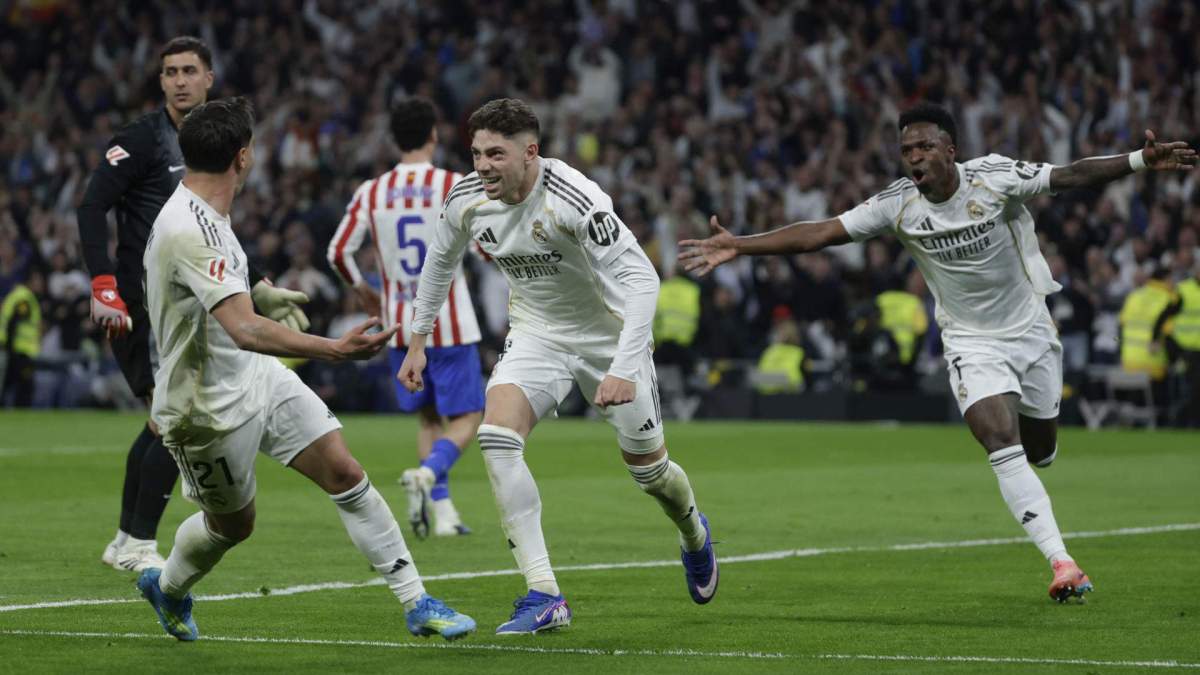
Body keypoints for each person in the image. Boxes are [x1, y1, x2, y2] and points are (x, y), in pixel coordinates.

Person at [680, 101, 1197, 602]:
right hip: (970, 342)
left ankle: (1043, 459)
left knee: (1040, 451)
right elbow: (822, 233)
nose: (915, 157)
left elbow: (1070, 175)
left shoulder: (993, 178)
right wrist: (740, 244)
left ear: (951, 149)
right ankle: (1062, 562)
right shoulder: (897, 204)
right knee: (998, 439)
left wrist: (1137, 161)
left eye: (925, 146)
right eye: (907, 150)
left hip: (1032, 333)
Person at [137, 96, 474, 642]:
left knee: (345, 471)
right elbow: (244, 329)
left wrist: (258, 294)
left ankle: (418, 603)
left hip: (256, 377)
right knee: (233, 526)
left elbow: (220, 302)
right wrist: (333, 349)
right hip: (205, 409)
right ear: (242, 157)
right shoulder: (189, 227)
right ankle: (168, 587)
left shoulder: (204, 211)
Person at [398, 98, 718, 634]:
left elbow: (644, 282)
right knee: (497, 436)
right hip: (538, 335)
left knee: (651, 474)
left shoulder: (575, 198)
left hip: (609, 338)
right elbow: (439, 264)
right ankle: (544, 593)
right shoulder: (467, 197)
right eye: (476, 153)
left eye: (496, 154)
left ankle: (694, 533)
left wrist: (621, 365)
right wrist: (416, 340)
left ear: (531, 152)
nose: (482, 166)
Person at [77, 36, 309, 573]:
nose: (179, 80)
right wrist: (102, 284)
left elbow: (215, 229)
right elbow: (92, 205)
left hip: (193, 301)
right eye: (170, 72)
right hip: (147, 302)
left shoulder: (214, 140)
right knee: (169, 416)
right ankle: (135, 543)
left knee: (160, 417)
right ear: (160, 81)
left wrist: (255, 286)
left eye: (189, 71)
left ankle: (125, 540)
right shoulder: (142, 139)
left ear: (209, 77)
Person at [328, 97, 484, 539]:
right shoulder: (455, 184)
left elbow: (337, 252)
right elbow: (485, 244)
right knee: (469, 417)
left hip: (399, 326)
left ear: (394, 139)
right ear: (434, 135)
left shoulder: (372, 191)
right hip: (450, 321)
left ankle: (444, 513)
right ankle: (431, 474)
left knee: (428, 420)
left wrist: (362, 289)